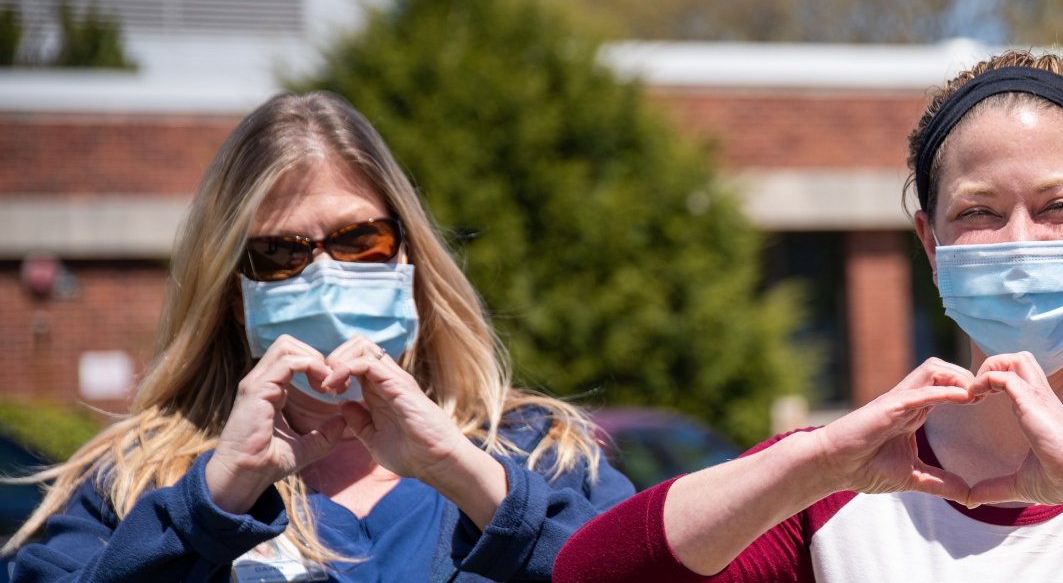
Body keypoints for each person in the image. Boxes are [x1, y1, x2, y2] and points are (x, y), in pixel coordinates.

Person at [554, 51, 1063, 582]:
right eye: (979, 212)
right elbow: (592, 573)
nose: (1020, 243)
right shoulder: (850, 477)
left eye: (1061, 206)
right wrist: (810, 465)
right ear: (930, 239)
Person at [3, 92, 634, 582]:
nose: (327, 277)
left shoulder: (544, 455)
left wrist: (470, 479)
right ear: (233, 295)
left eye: (361, 241)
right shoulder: (135, 480)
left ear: (410, 260)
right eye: (281, 252)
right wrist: (208, 506)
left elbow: (650, 569)